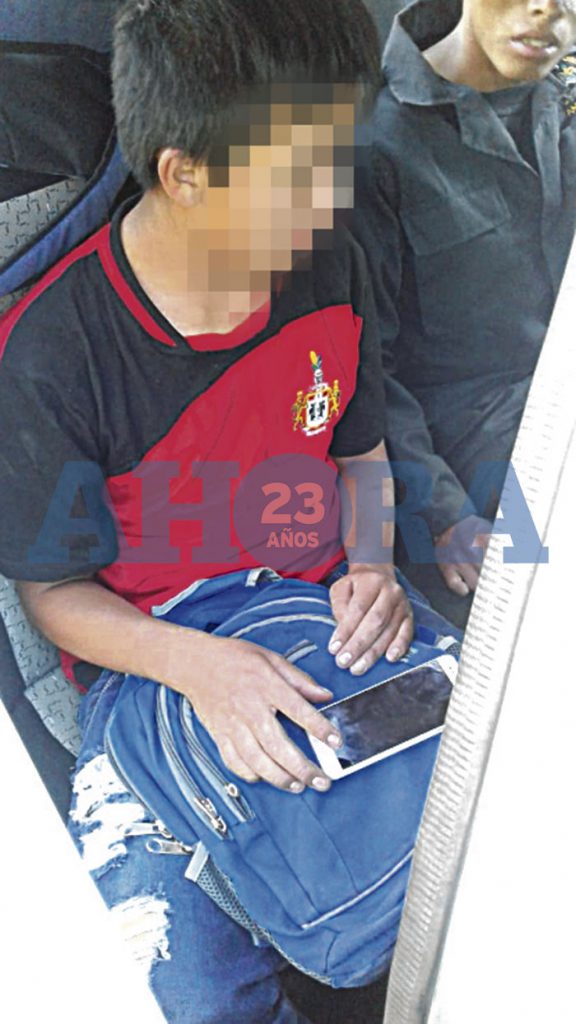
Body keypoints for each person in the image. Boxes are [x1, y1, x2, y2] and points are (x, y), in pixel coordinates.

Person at [0, 1, 414, 1021]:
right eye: (297, 177)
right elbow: (52, 592)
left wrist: (373, 561)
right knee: (182, 988)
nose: (330, 202)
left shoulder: (331, 265)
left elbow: (359, 453)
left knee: (474, 850)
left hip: (322, 615)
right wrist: (202, 667)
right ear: (184, 174)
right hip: (151, 663)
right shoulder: (54, 353)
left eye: (337, 162)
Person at [353, 0, 576, 628]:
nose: (548, 10)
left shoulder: (557, 99)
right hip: (467, 448)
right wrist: (442, 511)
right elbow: (364, 366)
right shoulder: (374, 142)